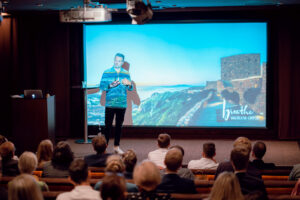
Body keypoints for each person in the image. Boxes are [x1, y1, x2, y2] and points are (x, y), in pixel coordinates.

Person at [99, 53, 133, 154]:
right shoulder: (107, 72)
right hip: (110, 103)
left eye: (119, 61)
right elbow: (102, 86)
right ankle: (104, 148)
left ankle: (116, 147)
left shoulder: (126, 73)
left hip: (122, 104)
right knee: (107, 126)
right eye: (115, 60)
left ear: (122, 62)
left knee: (119, 126)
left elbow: (130, 88)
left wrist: (129, 84)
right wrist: (110, 85)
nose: (117, 62)